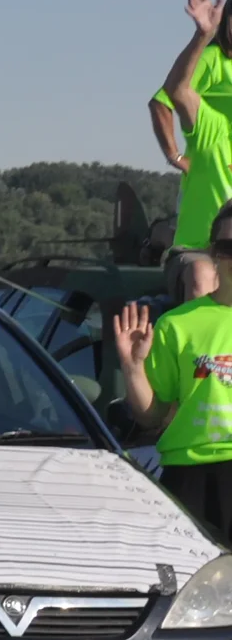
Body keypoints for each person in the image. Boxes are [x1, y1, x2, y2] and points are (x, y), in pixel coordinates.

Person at [115, 204, 232, 540]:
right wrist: (133, 368)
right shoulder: (176, 325)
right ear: (213, 253)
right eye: (229, 248)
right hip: (190, 477)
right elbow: (152, 415)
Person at [157, 0, 232, 303]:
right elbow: (173, 93)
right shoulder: (213, 131)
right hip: (199, 254)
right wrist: (202, 36)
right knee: (204, 274)